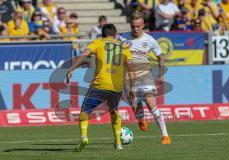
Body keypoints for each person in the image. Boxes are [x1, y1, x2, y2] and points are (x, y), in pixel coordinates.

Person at [66, 23, 136, 151]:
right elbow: (131, 68)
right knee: (114, 111)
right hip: (116, 86)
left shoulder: (97, 42)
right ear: (115, 35)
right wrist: (132, 88)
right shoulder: (123, 47)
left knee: (85, 111)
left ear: (102, 34)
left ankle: (84, 137)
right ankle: (118, 143)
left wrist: (72, 68)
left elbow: (84, 54)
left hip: (100, 84)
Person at [118, 12, 171, 144]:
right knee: (136, 106)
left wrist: (161, 73)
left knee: (150, 102)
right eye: (132, 26)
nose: (135, 29)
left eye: (138, 26)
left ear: (143, 25)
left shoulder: (150, 40)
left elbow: (160, 56)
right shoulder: (122, 38)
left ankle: (165, 136)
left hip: (145, 74)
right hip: (128, 76)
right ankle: (140, 118)